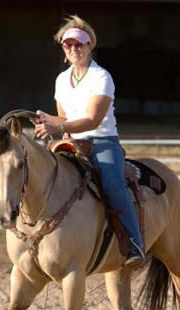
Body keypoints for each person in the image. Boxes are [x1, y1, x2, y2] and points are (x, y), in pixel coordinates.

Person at [32, 15, 144, 266]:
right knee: (42, 172)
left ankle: (133, 243)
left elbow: (93, 120)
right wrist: (45, 120)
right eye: (68, 44)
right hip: (71, 140)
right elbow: (63, 117)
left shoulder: (101, 77)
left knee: (113, 184)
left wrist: (58, 124)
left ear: (90, 44)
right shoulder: (61, 80)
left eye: (79, 44)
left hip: (102, 141)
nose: (74, 49)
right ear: (63, 48)